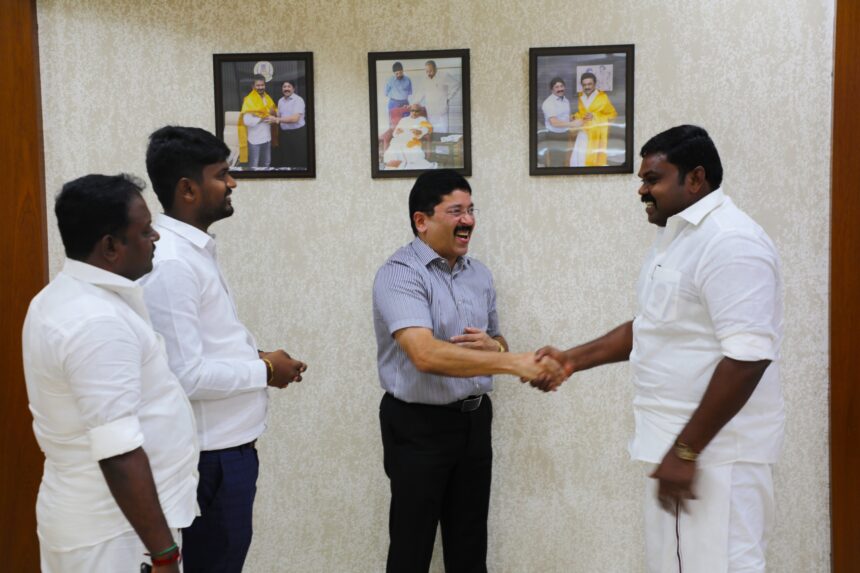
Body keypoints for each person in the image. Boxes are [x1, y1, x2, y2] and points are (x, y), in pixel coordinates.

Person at [537, 125, 784, 572]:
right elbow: (653, 327)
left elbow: (748, 358)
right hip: (678, 450)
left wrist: (686, 451)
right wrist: (572, 359)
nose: (642, 191)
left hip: (715, 458)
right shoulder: (677, 239)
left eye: (653, 179)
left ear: (696, 178)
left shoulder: (730, 241)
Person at [373, 169, 565, 573]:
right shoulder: (399, 274)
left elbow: (496, 339)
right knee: (411, 548)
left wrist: (500, 349)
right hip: (417, 425)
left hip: (475, 421)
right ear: (421, 221)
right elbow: (424, 354)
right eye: (456, 211)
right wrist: (514, 363)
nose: (468, 220)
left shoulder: (479, 274)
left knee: (470, 545)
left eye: (472, 210)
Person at [141, 125, 308, 572]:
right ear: (187, 189)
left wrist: (260, 359)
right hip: (207, 460)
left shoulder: (193, 251)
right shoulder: (172, 263)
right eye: (221, 174)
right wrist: (264, 370)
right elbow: (184, 375)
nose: (232, 183)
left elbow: (204, 347)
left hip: (225, 454)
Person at [22, 173, 198, 572]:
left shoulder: (63, 296)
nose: (156, 236)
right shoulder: (96, 322)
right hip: (116, 534)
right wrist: (164, 554)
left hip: (110, 525)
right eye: (145, 230)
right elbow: (118, 451)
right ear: (110, 247)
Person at [570, 72, 618, 167]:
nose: (587, 87)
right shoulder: (581, 97)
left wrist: (595, 116)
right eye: (584, 85)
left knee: (592, 160)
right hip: (583, 132)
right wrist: (575, 116)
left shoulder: (603, 97)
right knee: (579, 160)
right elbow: (582, 113)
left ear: (595, 84)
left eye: (589, 84)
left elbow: (612, 115)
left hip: (596, 135)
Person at [238, 75, 277, 169]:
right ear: (253, 86)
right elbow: (247, 121)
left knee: (266, 163)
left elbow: (273, 112)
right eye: (258, 85)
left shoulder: (267, 98)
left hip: (267, 138)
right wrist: (262, 118)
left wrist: (272, 114)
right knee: (254, 165)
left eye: (262, 85)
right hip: (255, 140)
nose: (260, 87)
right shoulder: (249, 100)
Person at [412, 60, 460, 133]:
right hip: (430, 111)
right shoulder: (424, 79)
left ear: (435, 68)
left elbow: (456, 84)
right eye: (427, 71)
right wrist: (413, 104)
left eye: (431, 71)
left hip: (441, 111)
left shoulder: (444, 76)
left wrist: (448, 98)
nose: (429, 73)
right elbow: (419, 93)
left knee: (443, 132)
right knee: (432, 132)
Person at [382, 103, 435, 170]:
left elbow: (428, 128)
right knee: (392, 156)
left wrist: (420, 132)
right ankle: (401, 164)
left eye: (417, 111)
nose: (414, 113)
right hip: (400, 140)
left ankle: (403, 165)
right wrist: (397, 132)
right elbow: (395, 133)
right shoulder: (403, 120)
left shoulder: (422, 119)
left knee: (413, 157)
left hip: (412, 140)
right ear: (410, 110)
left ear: (420, 111)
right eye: (412, 110)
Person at [272, 80, 307, 169]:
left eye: (289, 86)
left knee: (299, 159)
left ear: (293, 89)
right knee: (286, 159)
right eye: (284, 87)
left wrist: (277, 120)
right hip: (284, 135)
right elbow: (278, 115)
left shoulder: (298, 100)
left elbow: (295, 119)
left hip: (297, 134)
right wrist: (270, 114)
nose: (286, 89)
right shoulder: (280, 101)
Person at [384, 61, 412, 127]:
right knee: (393, 123)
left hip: (405, 102)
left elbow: (410, 92)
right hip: (393, 103)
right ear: (394, 73)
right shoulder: (390, 80)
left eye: (400, 73)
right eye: (397, 73)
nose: (399, 75)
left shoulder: (408, 79)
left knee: (406, 122)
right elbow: (386, 92)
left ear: (403, 71)